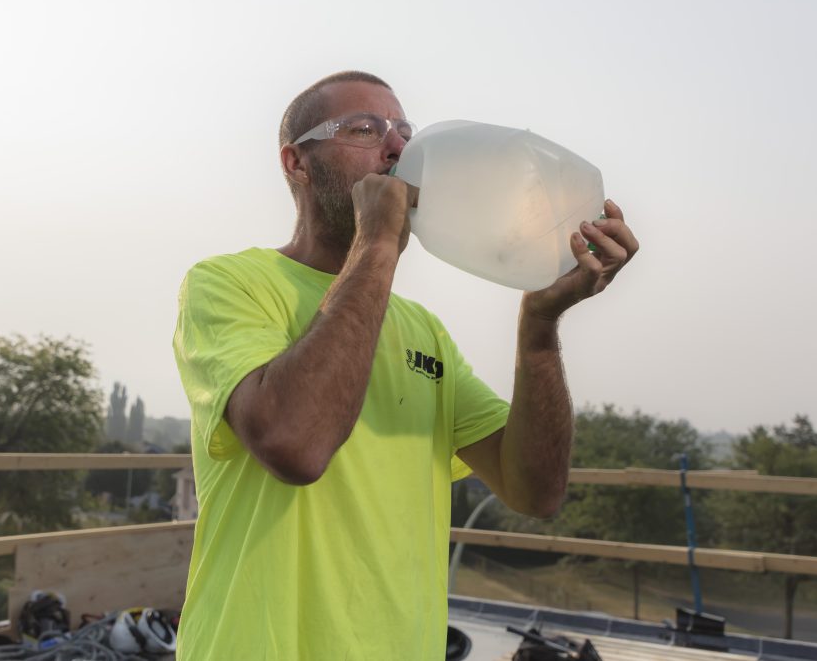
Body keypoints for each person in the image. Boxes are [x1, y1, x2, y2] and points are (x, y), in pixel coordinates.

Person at [172, 71, 638, 660]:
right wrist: (378, 243)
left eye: (404, 132)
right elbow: (297, 445)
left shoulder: (424, 332)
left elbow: (535, 490)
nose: (397, 149)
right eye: (364, 129)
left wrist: (540, 330)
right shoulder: (227, 284)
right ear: (296, 163)